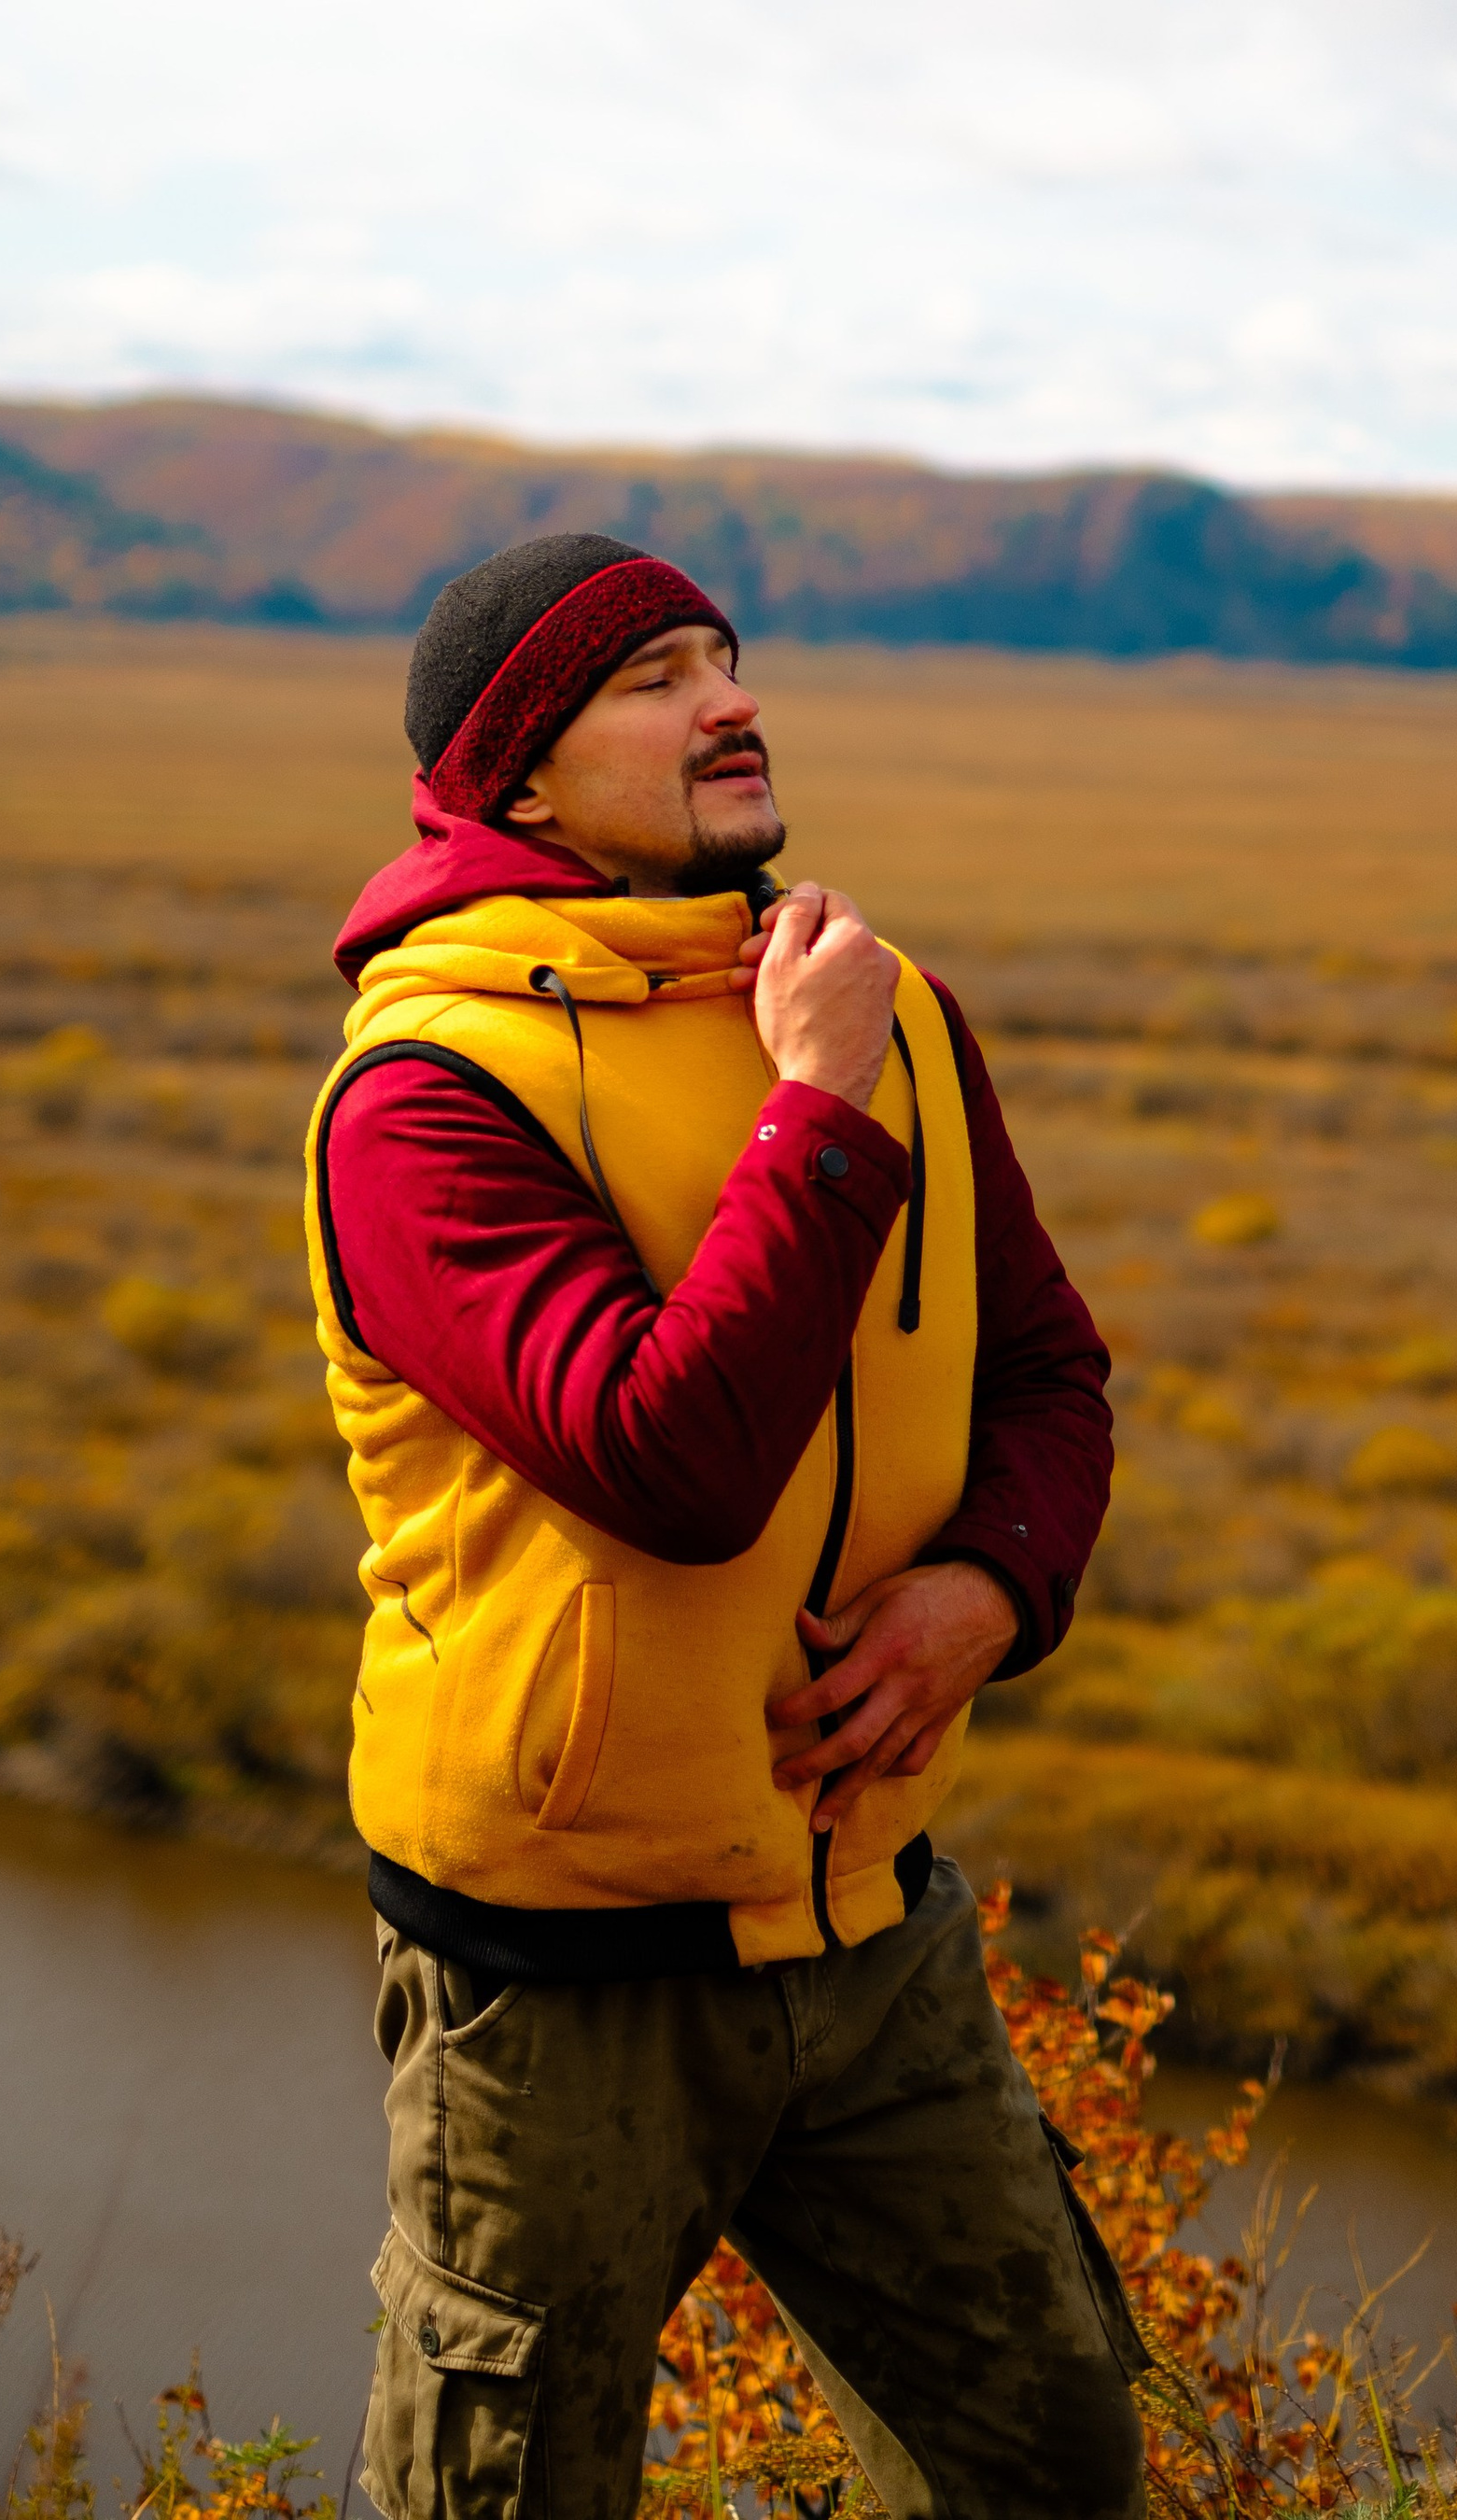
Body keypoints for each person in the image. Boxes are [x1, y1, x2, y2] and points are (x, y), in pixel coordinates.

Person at [302, 530, 1145, 2520]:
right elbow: (667, 1466)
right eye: (655, 678)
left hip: (868, 1925)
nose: (730, 699)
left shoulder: (880, 1007)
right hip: (560, 1959)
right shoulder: (424, 1094)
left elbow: (1050, 1378)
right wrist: (814, 1114)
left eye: (725, 656)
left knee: (1047, 2464)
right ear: (515, 774)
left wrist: (985, 1592)